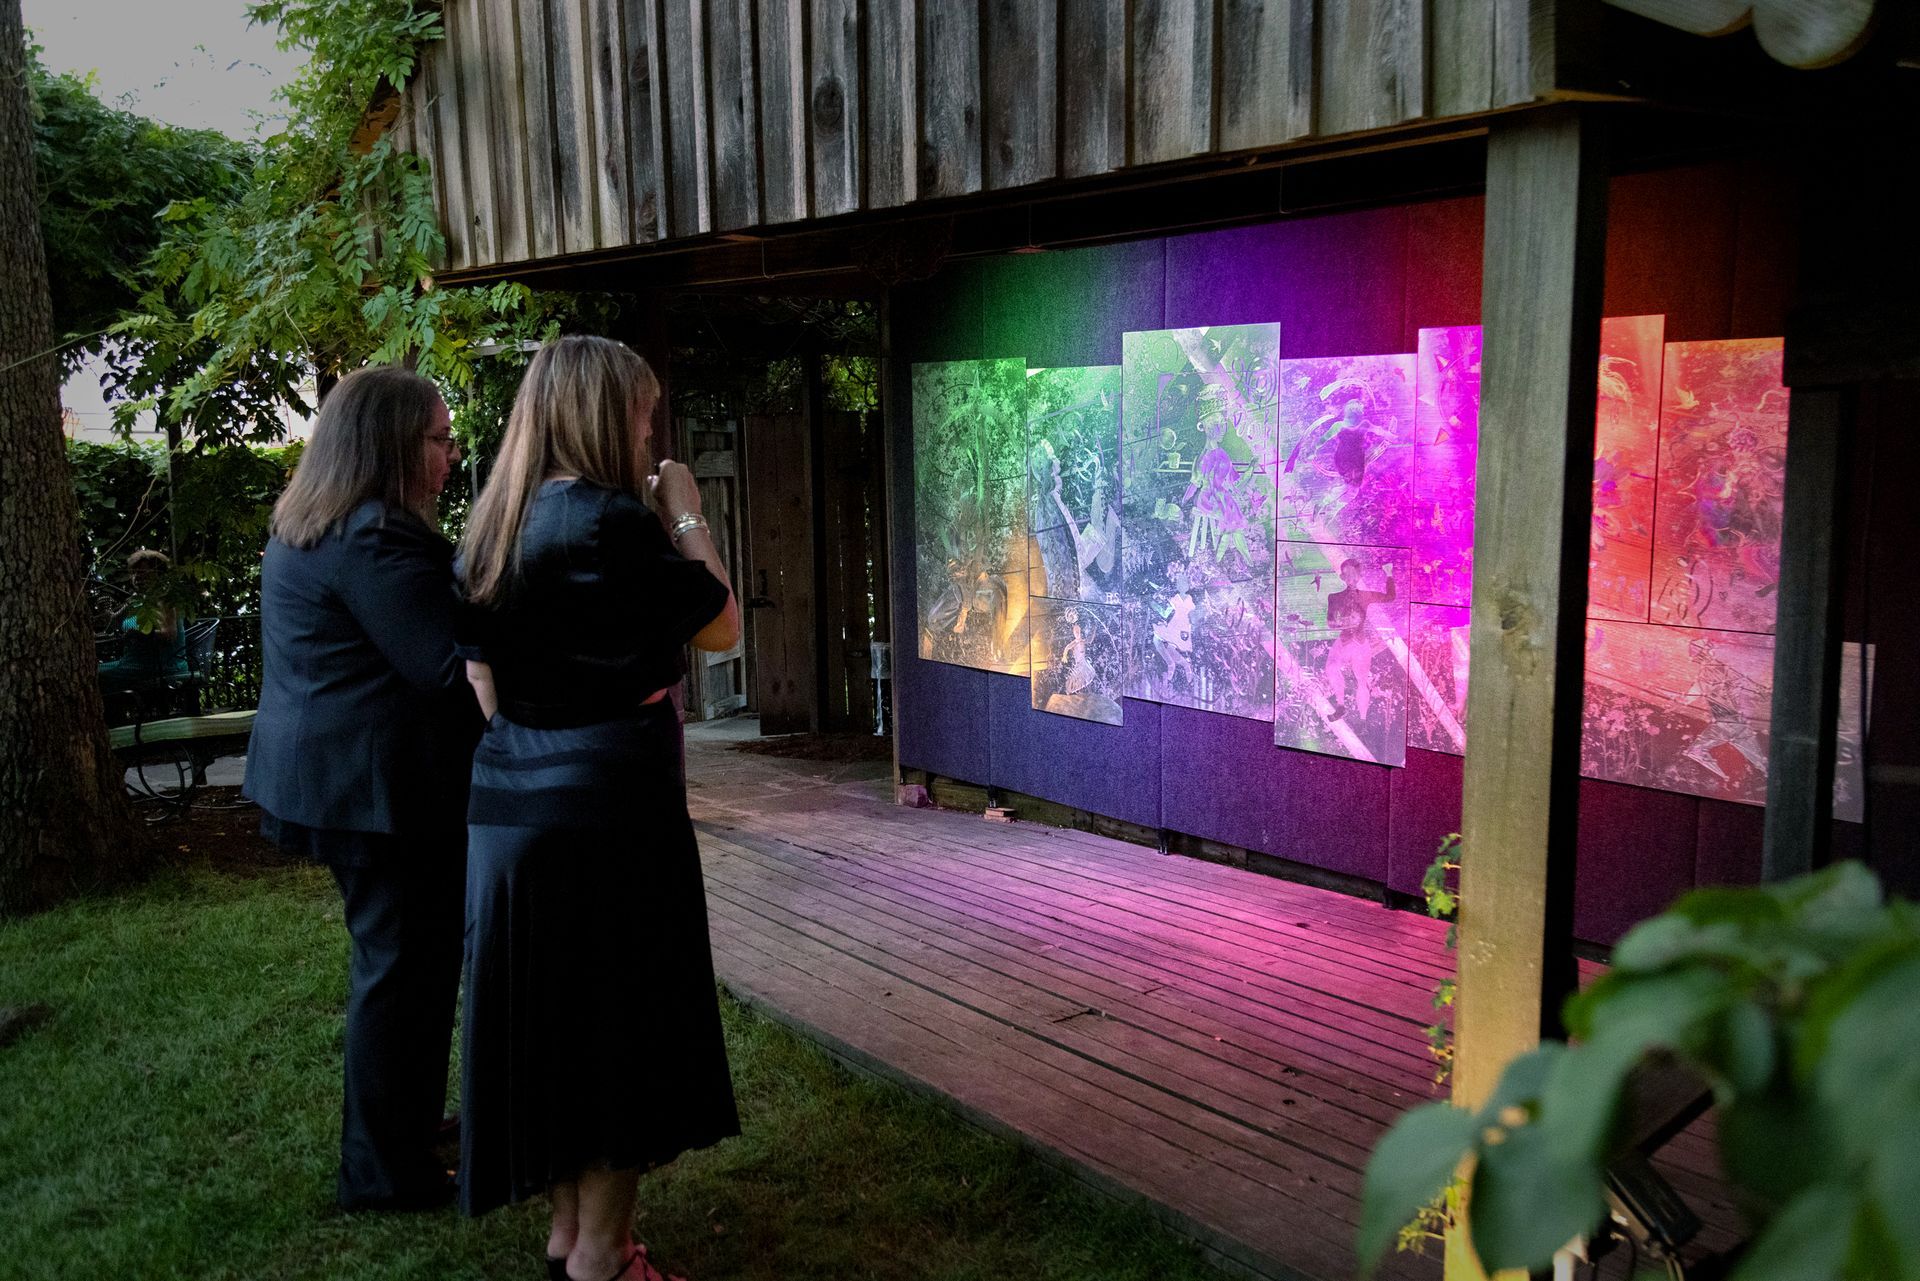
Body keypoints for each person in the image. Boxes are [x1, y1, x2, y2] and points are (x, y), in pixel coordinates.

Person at [455, 336, 742, 1281]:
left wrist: (535, 745)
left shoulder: (495, 519)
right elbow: (722, 624)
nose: (649, 433)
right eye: (643, 415)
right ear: (605, 414)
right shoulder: (611, 520)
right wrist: (685, 510)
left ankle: (568, 1234)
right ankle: (606, 1256)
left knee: (549, 1028)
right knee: (623, 1025)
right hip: (611, 807)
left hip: (509, 810)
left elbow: (481, 676)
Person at [242, 365, 480, 1211]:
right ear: (391, 444)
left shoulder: (314, 521)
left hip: (340, 780)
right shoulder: (372, 534)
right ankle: (382, 1172)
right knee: (403, 967)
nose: (452, 455)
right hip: (373, 792)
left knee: (405, 963)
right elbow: (445, 667)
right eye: (439, 439)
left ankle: (398, 1130)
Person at [96, 548, 189, 693]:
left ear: (158, 574)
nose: (137, 577)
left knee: (94, 675)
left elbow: (170, 634)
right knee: (92, 670)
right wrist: (105, 611)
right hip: (132, 663)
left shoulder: (165, 598)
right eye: (134, 573)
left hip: (161, 666)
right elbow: (114, 623)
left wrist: (140, 634)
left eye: (142, 573)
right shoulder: (136, 600)